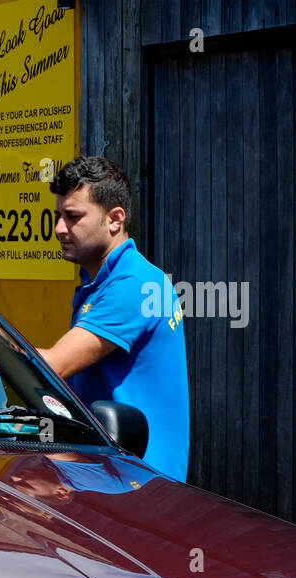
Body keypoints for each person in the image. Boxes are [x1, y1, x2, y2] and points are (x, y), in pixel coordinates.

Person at [36, 155, 189, 481]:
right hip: (110, 475)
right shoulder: (104, 282)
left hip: (138, 487)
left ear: (115, 219)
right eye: (58, 215)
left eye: (73, 216)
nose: (59, 228)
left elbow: (52, 367)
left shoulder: (134, 285)